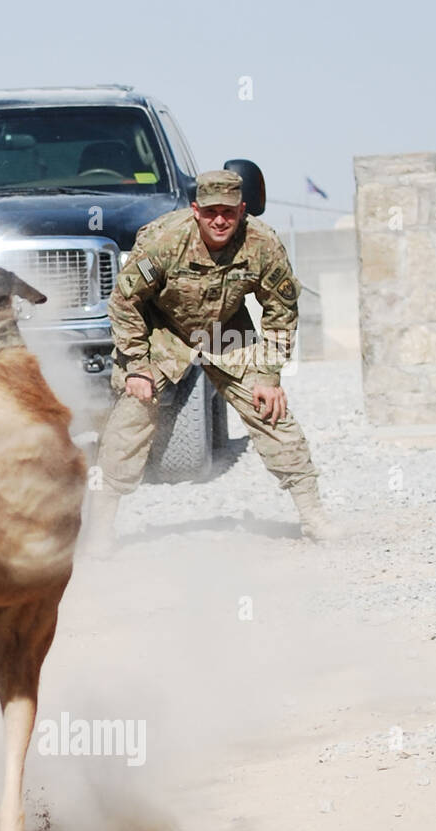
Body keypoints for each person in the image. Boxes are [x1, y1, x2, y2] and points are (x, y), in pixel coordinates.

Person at [85, 169, 331, 552]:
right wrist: (137, 365)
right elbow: (124, 301)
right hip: (162, 332)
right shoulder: (166, 241)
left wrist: (268, 374)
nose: (220, 220)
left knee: (272, 412)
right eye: (212, 211)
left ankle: (314, 516)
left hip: (225, 332)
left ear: (242, 210)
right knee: (131, 419)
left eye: (229, 212)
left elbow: (280, 308)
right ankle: (101, 528)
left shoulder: (261, 243)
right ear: (196, 209)